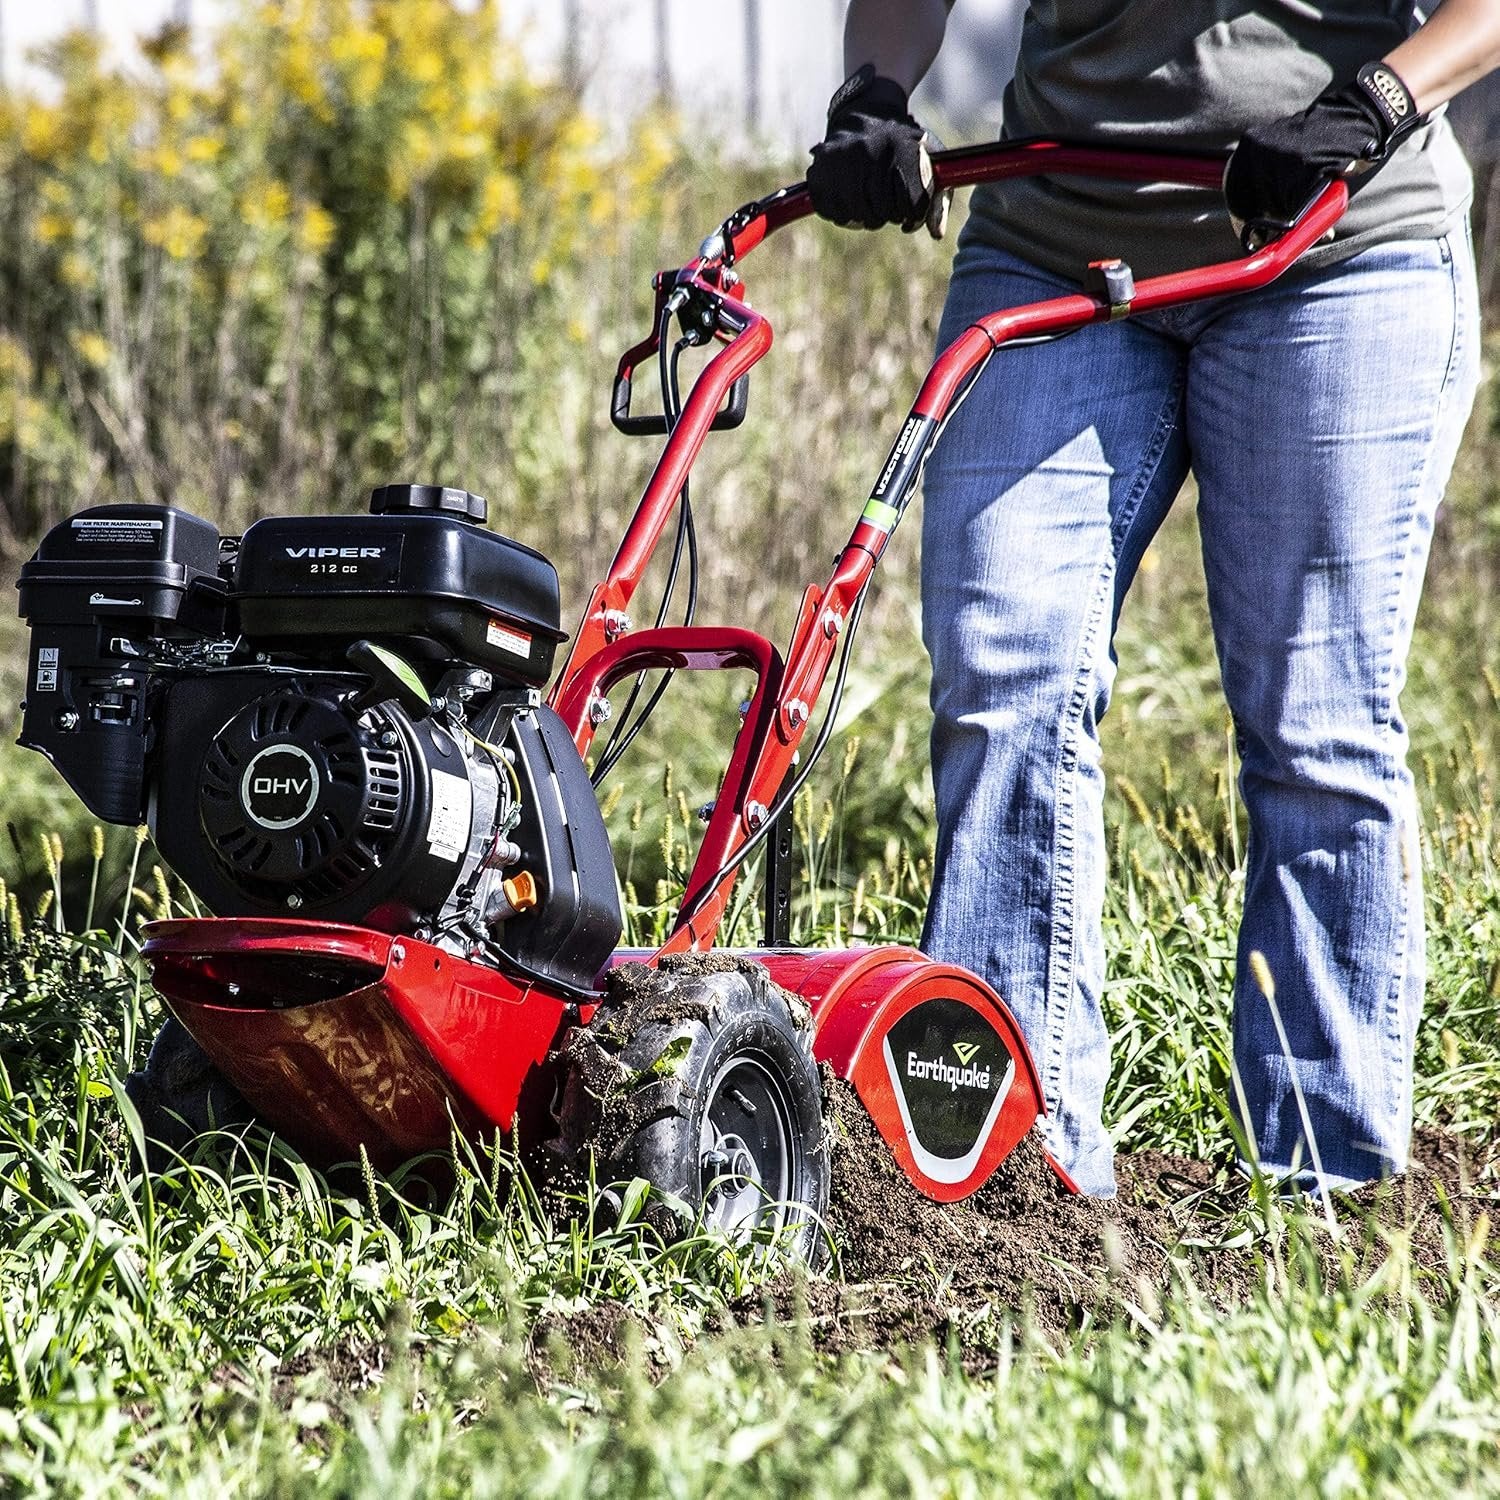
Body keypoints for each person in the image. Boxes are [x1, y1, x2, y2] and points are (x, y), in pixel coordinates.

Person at [806, 0, 1500, 1195]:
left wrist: (1373, 101)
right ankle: (1014, 1182)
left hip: (1335, 246)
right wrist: (873, 91)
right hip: (1053, 239)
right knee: (1003, 680)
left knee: (1314, 720)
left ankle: (1327, 1188)